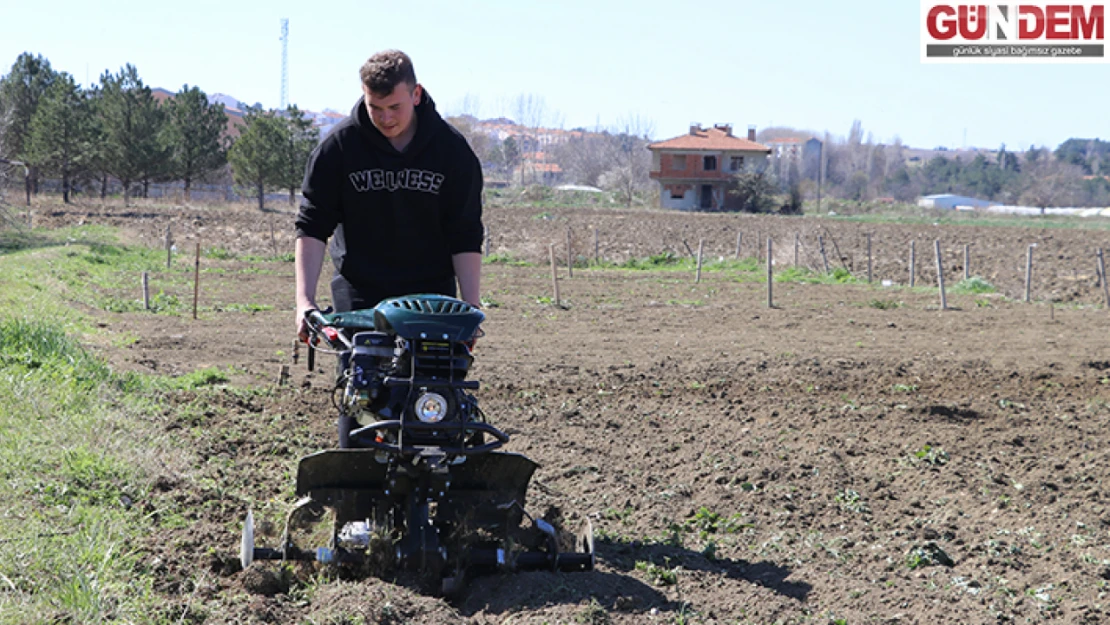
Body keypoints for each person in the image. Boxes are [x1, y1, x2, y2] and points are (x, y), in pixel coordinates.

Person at [294, 49, 484, 344]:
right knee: (364, 384)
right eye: (375, 107)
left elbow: (466, 231)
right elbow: (312, 224)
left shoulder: (452, 151)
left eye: (395, 106)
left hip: (431, 296)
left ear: (416, 94)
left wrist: (471, 306)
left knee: (436, 385)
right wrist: (304, 302)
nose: (386, 118)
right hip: (360, 294)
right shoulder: (338, 148)